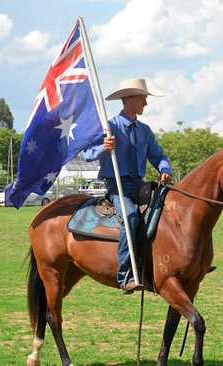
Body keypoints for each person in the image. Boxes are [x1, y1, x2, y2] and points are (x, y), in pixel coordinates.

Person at [81, 78, 172, 294]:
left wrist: (164, 169)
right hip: (117, 186)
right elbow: (86, 154)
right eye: (143, 99)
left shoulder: (145, 131)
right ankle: (125, 275)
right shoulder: (109, 126)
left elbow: (159, 156)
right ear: (129, 99)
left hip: (138, 185)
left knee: (170, 212)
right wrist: (103, 147)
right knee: (131, 216)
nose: (146, 104)